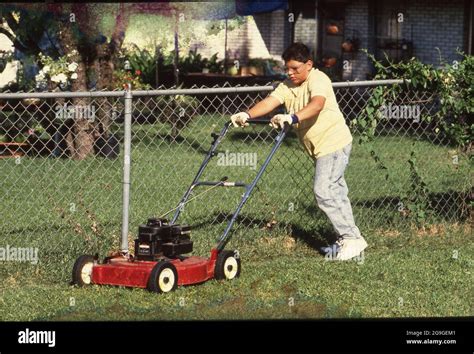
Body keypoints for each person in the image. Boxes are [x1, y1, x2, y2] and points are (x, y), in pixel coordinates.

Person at [230, 42, 367, 261]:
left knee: (323, 191)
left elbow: (317, 104)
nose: (290, 73)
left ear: (309, 64)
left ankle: (351, 238)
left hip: (333, 142)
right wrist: (247, 114)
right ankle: (349, 238)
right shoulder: (288, 84)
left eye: (295, 68)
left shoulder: (318, 79)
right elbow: (270, 102)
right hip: (321, 147)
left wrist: (292, 117)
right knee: (337, 193)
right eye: (287, 68)